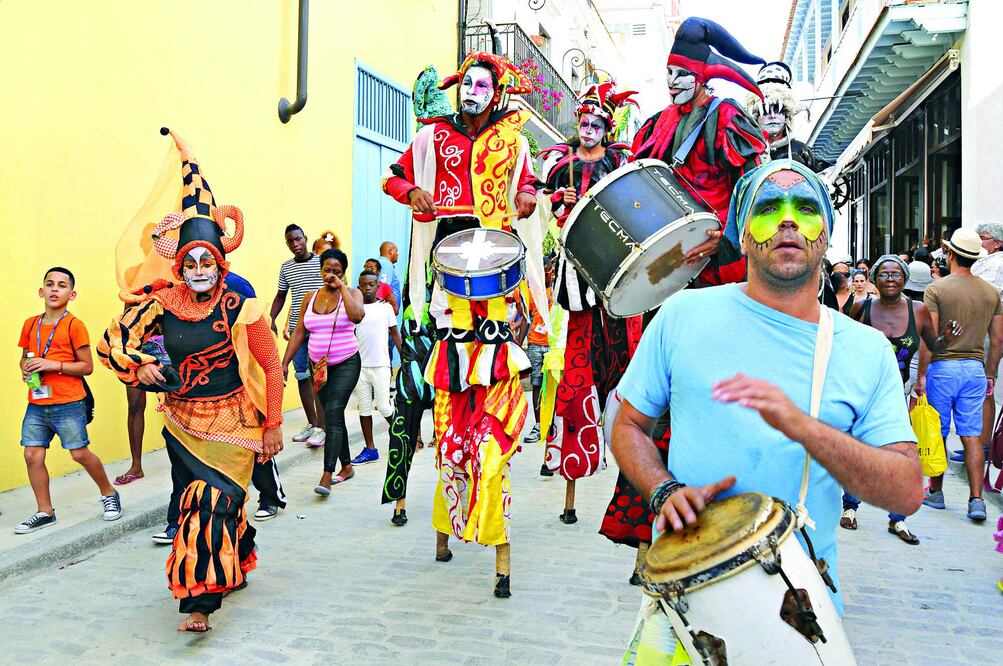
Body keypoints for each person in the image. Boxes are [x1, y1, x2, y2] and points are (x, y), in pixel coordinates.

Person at [613, 160, 922, 661]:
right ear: (740, 228)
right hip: (680, 607)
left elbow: (907, 492)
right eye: (768, 208)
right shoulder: (681, 315)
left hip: (796, 620)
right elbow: (628, 425)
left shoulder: (865, 349)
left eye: (805, 208)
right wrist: (662, 489)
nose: (787, 221)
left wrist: (804, 429)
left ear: (825, 233)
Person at [98, 128, 284, 633]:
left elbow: (270, 365)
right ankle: (236, 556)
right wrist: (140, 364)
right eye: (190, 262)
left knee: (213, 501)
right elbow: (111, 339)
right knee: (202, 502)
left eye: (207, 260)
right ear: (179, 266)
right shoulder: (162, 303)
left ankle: (199, 602)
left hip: (236, 423)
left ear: (220, 262)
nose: (199, 269)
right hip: (181, 423)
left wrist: (272, 424)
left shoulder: (239, 306)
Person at [382, 50, 547, 598]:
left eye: (483, 84)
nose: (473, 91)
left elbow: (527, 187)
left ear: (496, 91)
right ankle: (447, 518)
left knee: (493, 418)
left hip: (499, 277)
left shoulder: (515, 140)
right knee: (451, 420)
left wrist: (526, 199)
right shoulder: (431, 138)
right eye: (467, 83)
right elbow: (397, 178)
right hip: (446, 273)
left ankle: (493, 524)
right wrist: (413, 193)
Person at [537, 82, 642, 523]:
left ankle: (637, 473)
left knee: (630, 372)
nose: (590, 128)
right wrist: (555, 204)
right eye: (584, 121)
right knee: (576, 378)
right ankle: (572, 481)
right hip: (577, 284)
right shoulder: (560, 165)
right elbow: (542, 208)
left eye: (598, 122)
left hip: (617, 281)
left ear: (607, 126)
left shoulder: (620, 160)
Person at [631, 16, 768, 286]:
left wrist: (726, 237)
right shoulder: (660, 121)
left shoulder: (727, 117)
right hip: (669, 255)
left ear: (703, 76)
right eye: (669, 72)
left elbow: (753, 189)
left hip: (717, 258)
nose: (672, 82)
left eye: (682, 74)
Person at [842, 255, 960, 544]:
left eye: (896, 275)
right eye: (884, 275)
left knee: (902, 454)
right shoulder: (862, 307)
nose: (891, 279)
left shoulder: (917, 310)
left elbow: (933, 345)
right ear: (874, 280)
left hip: (899, 391)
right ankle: (850, 508)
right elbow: (840, 340)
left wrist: (945, 337)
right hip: (864, 389)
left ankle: (898, 518)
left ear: (905, 279)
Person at [16, 267, 122, 535]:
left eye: (61, 285)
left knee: (79, 453)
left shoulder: (75, 325)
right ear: (41, 291)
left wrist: (51, 364)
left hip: (69, 402)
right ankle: (45, 511)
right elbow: (25, 356)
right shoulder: (30, 324)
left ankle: (109, 493)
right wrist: (25, 367)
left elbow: (87, 367)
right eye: (49, 284)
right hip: (37, 402)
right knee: (32, 454)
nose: (54, 289)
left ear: (71, 294)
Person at [921, 228, 1003, 522]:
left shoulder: (937, 289)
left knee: (939, 432)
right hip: (974, 369)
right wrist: (990, 373)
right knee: (970, 435)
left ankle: (936, 492)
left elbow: (930, 337)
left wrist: (921, 375)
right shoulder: (990, 292)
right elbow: (998, 339)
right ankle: (976, 499)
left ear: (951, 254)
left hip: (943, 367)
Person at [282, 248, 365, 496]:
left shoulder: (352, 293)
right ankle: (347, 466)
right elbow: (299, 332)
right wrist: (284, 362)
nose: (331, 275)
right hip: (318, 366)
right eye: (327, 270)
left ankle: (327, 474)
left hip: (346, 362)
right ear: (320, 270)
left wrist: (342, 288)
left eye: (336, 271)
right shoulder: (310, 297)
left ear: (343, 273)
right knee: (333, 417)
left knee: (333, 412)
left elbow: (358, 316)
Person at [270, 224, 325, 448]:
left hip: (319, 328)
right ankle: (313, 424)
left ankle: (322, 428)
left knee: (319, 378)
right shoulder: (286, 268)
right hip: (297, 330)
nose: (295, 244)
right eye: (291, 241)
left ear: (305, 238)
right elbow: (281, 296)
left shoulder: (321, 263)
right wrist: (271, 318)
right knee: (302, 376)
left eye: (298, 239)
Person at [350, 270, 402, 465]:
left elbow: (395, 334)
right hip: (359, 367)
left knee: (383, 406)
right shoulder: (354, 309)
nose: (368, 288)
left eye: (372, 284)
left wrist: (405, 355)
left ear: (378, 287)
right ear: (359, 287)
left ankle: (402, 436)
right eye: (364, 285)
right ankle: (370, 448)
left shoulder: (386, 308)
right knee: (364, 409)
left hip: (381, 365)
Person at [746, 61, 822, 170]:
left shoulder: (800, 150)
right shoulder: (747, 152)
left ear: (787, 116)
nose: (772, 116)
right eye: (765, 112)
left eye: (778, 110)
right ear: (756, 116)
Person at [972, 222, 1003, 461]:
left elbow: (982, 297)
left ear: (997, 243)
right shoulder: (985, 262)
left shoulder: (996, 263)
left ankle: (982, 443)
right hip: (984, 330)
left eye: (982, 237)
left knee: (983, 386)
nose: (978, 241)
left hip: (987, 330)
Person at [525, 256, 555, 448]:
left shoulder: (559, 291)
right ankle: (538, 424)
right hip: (536, 342)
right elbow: (525, 316)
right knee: (536, 383)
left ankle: (552, 423)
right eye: (543, 273)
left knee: (554, 386)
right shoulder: (532, 292)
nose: (547, 276)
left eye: (549, 272)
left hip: (554, 345)